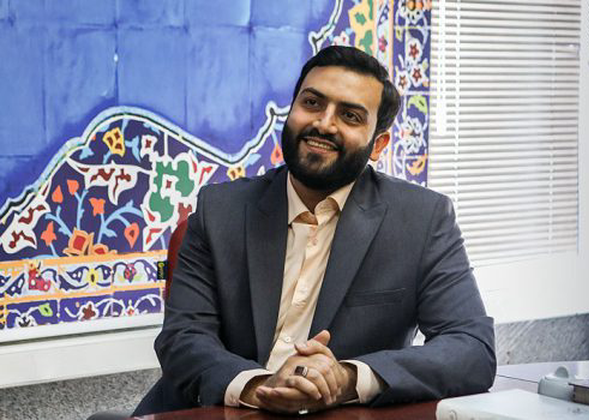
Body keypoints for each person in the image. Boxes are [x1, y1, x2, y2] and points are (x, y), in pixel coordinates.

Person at [133, 46, 496, 416]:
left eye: (350, 116)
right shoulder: (220, 210)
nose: (324, 123)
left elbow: (472, 348)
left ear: (378, 144)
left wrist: (347, 379)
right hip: (210, 412)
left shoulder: (421, 220)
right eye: (312, 103)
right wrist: (260, 387)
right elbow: (183, 338)